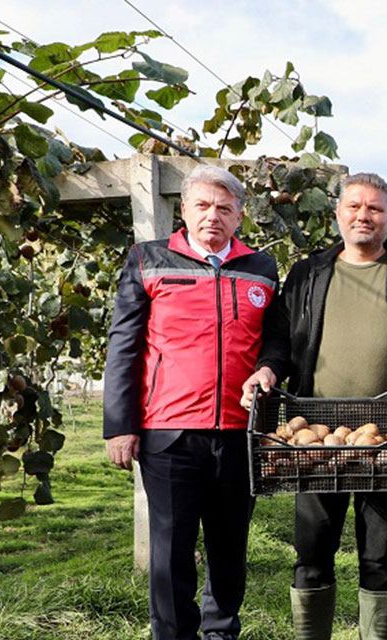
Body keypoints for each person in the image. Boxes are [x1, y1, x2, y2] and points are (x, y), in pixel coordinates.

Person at [240, 172, 387, 640]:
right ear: (338, 213)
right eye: (354, 207)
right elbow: (279, 338)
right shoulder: (308, 273)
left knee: (378, 555)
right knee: (312, 554)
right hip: (313, 434)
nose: (363, 216)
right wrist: (269, 369)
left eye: (374, 208)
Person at [103, 164, 287, 640]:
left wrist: (269, 367)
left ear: (240, 215)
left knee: (229, 550)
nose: (213, 216)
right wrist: (120, 425)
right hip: (168, 432)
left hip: (239, 432)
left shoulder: (261, 268)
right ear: (184, 210)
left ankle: (221, 632)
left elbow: (276, 339)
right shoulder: (150, 260)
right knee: (169, 553)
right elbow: (124, 345)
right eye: (202, 206)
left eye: (224, 208)